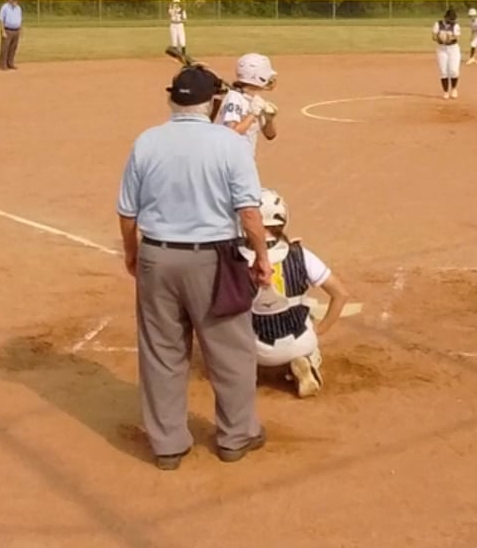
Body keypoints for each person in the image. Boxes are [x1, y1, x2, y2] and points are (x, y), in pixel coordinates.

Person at [116, 64, 271, 471]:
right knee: (231, 351)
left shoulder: (147, 141)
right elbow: (250, 214)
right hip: (214, 259)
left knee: (161, 351)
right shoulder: (230, 144)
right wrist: (262, 258)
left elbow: (127, 213)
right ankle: (236, 436)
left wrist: (132, 253)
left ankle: (168, 445)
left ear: (172, 99)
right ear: (213, 102)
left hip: (157, 257)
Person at [247, 188, 351, 399]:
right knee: (306, 307)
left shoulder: (236, 258)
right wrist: (319, 330)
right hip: (301, 341)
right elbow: (341, 294)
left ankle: (240, 368)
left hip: (256, 350)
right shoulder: (301, 254)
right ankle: (307, 360)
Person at [217, 53, 279, 158]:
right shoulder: (234, 98)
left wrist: (269, 119)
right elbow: (231, 134)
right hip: (231, 161)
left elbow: (270, 135)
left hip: (246, 161)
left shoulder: (255, 100)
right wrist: (252, 114)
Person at [433, 8, 462, 99]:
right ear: (446, 17)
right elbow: (433, 36)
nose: (452, 20)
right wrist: (440, 38)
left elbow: (457, 38)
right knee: (443, 71)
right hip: (442, 49)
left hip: (453, 49)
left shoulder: (455, 25)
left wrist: (450, 38)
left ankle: (454, 89)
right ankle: (445, 91)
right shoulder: (438, 24)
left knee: (454, 70)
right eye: (451, 18)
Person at [0, 0, 23, 70]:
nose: (16, 2)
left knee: (13, 48)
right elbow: (1, 20)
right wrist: (3, 31)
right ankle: (2, 64)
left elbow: (20, 19)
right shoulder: (5, 7)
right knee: (5, 48)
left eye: (16, 0)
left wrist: (20, 30)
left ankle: (10, 63)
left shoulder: (18, 8)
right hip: (7, 30)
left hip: (16, 30)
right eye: (14, 0)